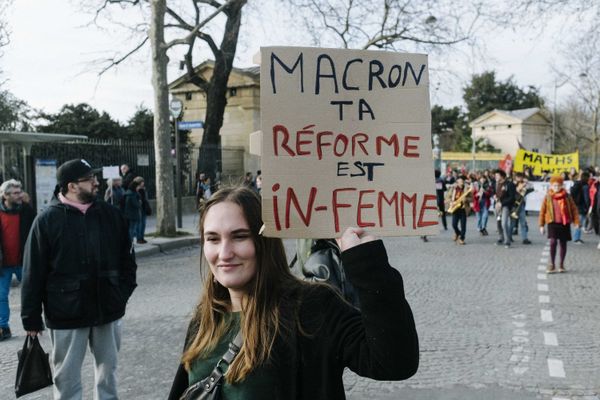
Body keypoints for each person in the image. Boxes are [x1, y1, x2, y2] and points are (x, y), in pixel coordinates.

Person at [167, 187, 419, 400]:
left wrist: (367, 263)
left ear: (264, 242)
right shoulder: (205, 318)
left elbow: (394, 361)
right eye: (212, 239)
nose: (224, 253)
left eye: (240, 236)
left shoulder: (312, 308)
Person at [21, 159, 137, 399]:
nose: (97, 182)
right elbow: (33, 273)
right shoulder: (46, 221)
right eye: (89, 179)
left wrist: (121, 294)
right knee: (66, 377)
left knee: (108, 373)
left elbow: (128, 260)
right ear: (72, 186)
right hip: (66, 313)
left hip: (108, 309)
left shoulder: (110, 214)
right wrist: (30, 318)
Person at [0, 179, 35, 341]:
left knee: (33, 292)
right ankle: (3, 327)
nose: (20, 195)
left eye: (20, 191)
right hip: (3, 264)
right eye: (15, 193)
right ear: (5, 195)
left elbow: (36, 231)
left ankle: (35, 323)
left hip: (24, 261)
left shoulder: (26, 210)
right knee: (1, 296)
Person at [539, 175, 579, 274]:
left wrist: (576, 222)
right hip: (552, 222)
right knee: (553, 242)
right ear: (551, 186)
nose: (556, 188)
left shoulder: (567, 196)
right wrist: (541, 225)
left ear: (562, 186)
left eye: (558, 186)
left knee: (563, 243)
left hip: (564, 223)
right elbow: (542, 211)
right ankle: (552, 264)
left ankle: (561, 264)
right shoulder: (548, 197)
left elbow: (574, 209)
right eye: (554, 186)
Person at [494, 169, 516, 248]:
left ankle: (507, 241)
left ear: (502, 176)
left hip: (505, 207)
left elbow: (512, 198)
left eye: (497, 175)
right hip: (497, 206)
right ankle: (501, 238)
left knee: (504, 223)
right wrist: (495, 198)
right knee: (498, 222)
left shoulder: (509, 184)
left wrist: (502, 203)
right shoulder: (496, 184)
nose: (495, 177)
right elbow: (496, 194)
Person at [511, 172, 533, 245]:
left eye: (521, 177)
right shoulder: (512, 185)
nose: (519, 179)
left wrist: (527, 183)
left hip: (521, 206)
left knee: (523, 222)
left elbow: (532, 189)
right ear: (515, 177)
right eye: (518, 177)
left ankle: (525, 238)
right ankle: (509, 236)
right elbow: (513, 192)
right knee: (512, 223)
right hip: (514, 206)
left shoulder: (524, 185)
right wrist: (519, 188)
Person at [448, 176, 471, 245]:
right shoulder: (453, 189)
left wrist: (466, 199)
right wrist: (451, 202)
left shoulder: (467, 189)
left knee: (463, 225)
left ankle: (462, 238)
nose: (461, 183)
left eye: (462, 181)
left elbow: (472, 199)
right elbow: (448, 197)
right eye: (459, 181)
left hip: (463, 209)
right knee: (454, 224)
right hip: (455, 209)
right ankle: (458, 233)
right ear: (457, 182)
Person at [570, 171, 590, 244]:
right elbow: (586, 198)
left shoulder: (577, 184)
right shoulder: (585, 186)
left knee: (578, 222)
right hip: (582, 207)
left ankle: (576, 237)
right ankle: (576, 238)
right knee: (579, 223)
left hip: (576, 205)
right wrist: (588, 207)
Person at [123, 178, 143, 243]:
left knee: (131, 228)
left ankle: (130, 241)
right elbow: (136, 204)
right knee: (132, 229)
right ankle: (130, 241)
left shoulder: (129, 193)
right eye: (138, 186)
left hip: (129, 214)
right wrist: (140, 202)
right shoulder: (132, 194)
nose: (138, 188)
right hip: (132, 214)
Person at [135, 176, 151, 244]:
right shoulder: (136, 190)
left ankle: (142, 237)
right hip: (139, 208)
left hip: (144, 208)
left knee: (143, 223)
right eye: (142, 182)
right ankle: (139, 238)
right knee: (139, 224)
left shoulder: (144, 189)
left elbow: (145, 199)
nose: (143, 183)